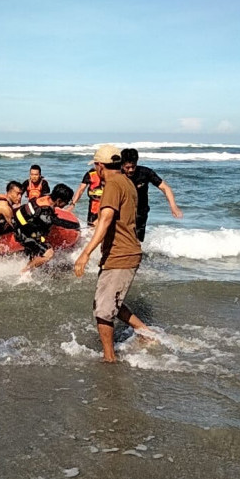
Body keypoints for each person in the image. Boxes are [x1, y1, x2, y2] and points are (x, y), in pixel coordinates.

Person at [74, 144, 152, 363]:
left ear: (100, 166)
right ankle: (146, 334)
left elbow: (107, 219)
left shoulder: (112, 184)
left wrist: (85, 253)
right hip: (125, 251)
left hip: (121, 254)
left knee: (103, 310)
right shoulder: (127, 182)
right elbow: (114, 217)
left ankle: (109, 359)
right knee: (108, 304)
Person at [120, 148, 183, 242]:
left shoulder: (145, 173)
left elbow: (165, 188)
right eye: (127, 167)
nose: (131, 170)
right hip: (122, 212)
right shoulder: (116, 174)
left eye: (133, 166)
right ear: (121, 165)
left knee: (137, 241)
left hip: (140, 213)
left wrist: (173, 206)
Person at [14, 183, 75, 272]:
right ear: (58, 200)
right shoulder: (45, 212)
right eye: (66, 202)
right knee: (49, 254)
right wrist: (74, 227)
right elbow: (58, 222)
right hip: (23, 233)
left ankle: (32, 258)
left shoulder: (44, 198)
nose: (66, 205)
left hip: (20, 223)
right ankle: (25, 270)